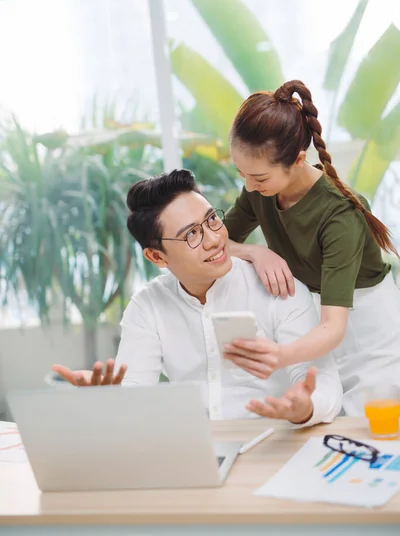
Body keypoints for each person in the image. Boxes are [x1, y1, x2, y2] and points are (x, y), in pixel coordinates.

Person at [54, 169, 342, 426]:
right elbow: (136, 387)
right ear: (156, 256)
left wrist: (305, 407)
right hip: (199, 453)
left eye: (212, 220)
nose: (215, 239)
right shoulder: (147, 306)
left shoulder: (276, 286)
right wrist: (111, 398)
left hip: (273, 445)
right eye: (192, 234)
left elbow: (321, 380)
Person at [223, 79, 400, 416]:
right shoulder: (258, 191)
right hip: (318, 336)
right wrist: (255, 251)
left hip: (373, 344)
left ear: (298, 159)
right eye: (241, 173)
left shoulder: (340, 214)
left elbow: (334, 326)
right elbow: (219, 243)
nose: (248, 185)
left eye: (258, 177)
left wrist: (279, 355)